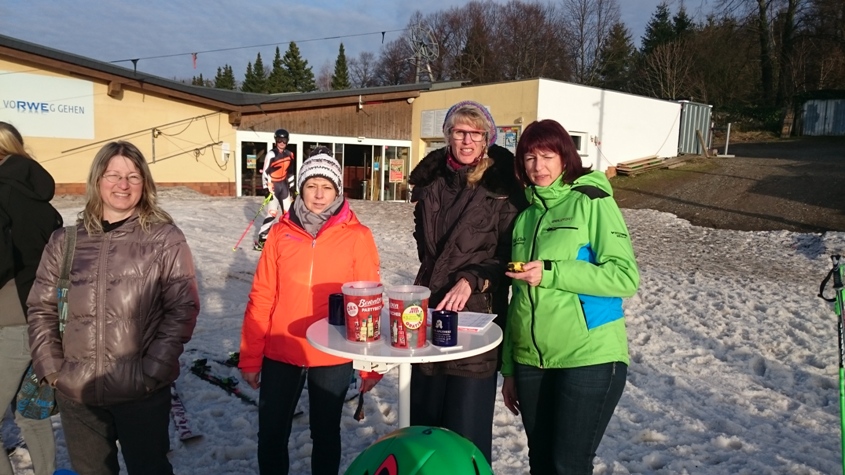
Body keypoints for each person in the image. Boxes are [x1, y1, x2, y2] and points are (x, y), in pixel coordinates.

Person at [26, 141, 200, 475]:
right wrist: (53, 370)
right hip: (79, 394)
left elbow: (183, 308)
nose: (123, 184)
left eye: (133, 176)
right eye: (113, 175)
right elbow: (41, 308)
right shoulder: (65, 241)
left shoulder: (165, 239)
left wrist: (151, 371)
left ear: (144, 184)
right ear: (97, 180)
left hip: (142, 392)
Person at [501, 119, 640, 474]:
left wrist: (552, 272)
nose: (538, 166)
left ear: (566, 158)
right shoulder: (525, 217)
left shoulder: (592, 202)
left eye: (547, 156)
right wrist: (510, 367)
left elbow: (624, 277)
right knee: (541, 462)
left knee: (568, 465)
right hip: (531, 361)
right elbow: (519, 299)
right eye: (530, 157)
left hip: (588, 356)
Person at [239, 148, 382, 475]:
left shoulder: (358, 236)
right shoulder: (280, 232)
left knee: (326, 433)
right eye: (311, 186)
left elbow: (369, 302)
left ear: (338, 191)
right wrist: (250, 357)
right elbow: (262, 295)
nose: (319, 195)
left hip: (333, 351)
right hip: (282, 347)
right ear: (300, 188)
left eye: (327, 187)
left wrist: (371, 366)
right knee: (271, 434)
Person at [407, 100, 527, 463]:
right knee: (424, 433)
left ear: (488, 138)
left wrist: (471, 279)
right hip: (429, 315)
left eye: (476, 133)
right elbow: (426, 252)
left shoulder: (502, 188)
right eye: (460, 132)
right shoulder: (431, 184)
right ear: (448, 135)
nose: (467, 140)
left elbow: (509, 255)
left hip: (476, 317)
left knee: (466, 437)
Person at [0, 121, 59, 475]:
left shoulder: (2, 192)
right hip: (41, 318)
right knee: (30, 414)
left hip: (8, 319)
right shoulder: (38, 195)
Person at [255, 128, 296, 250]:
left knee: (288, 214)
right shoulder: (271, 154)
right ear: (275, 140)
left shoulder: (290, 155)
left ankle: (287, 237)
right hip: (273, 187)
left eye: (284, 140)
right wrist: (265, 188)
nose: (282, 143)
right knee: (272, 213)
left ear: (287, 141)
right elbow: (265, 172)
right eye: (279, 140)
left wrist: (293, 188)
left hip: (284, 187)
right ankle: (262, 238)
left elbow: (290, 172)